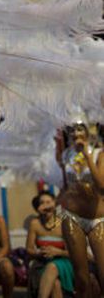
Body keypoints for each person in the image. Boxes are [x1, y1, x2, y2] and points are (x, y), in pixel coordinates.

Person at [58, 122, 104, 297]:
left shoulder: (100, 154)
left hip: (97, 219)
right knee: (81, 279)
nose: (75, 133)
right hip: (72, 217)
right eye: (71, 130)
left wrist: (87, 156)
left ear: (88, 134)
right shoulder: (65, 155)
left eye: (79, 129)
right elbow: (65, 185)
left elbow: (101, 186)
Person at [26, 190, 74, 298]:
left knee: (52, 267)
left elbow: (72, 252)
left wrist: (58, 252)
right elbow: (29, 249)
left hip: (63, 262)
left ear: (55, 203)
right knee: (55, 284)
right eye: (42, 203)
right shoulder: (35, 223)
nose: (45, 205)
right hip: (42, 263)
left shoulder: (63, 223)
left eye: (48, 202)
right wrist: (39, 253)